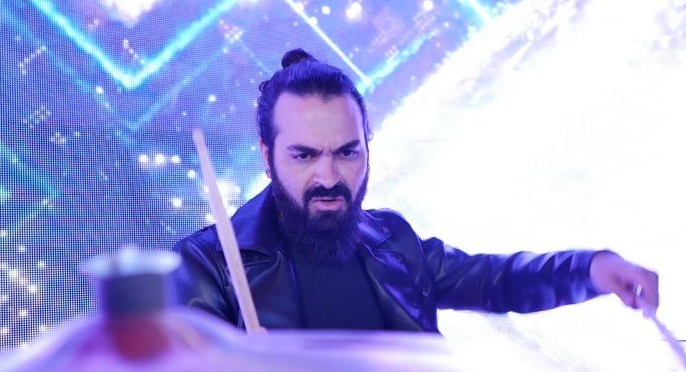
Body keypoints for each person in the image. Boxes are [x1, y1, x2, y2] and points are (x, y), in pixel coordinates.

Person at [173, 48, 658, 331]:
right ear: (267, 155)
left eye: (348, 152)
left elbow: (494, 280)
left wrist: (593, 268)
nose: (329, 177)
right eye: (304, 156)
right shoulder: (208, 267)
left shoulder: (391, 239)